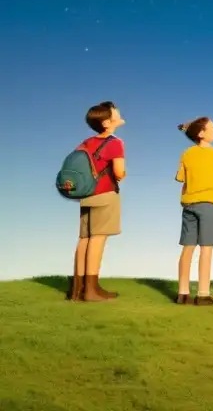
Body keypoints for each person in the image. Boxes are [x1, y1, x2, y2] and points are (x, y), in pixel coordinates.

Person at [71, 101, 127, 302]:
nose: (119, 112)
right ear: (106, 122)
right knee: (98, 238)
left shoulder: (85, 142)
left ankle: (78, 289)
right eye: (115, 112)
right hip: (105, 194)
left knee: (84, 239)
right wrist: (123, 174)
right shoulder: (115, 142)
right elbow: (119, 172)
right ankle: (92, 290)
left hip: (86, 195)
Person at [175, 117, 213, 305]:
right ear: (201, 133)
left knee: (187, 248)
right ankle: (203, 294)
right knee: (206, 249)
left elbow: (180, 178)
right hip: (209, 204)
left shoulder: (186, 153)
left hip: (189, 204)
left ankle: (183, 293)